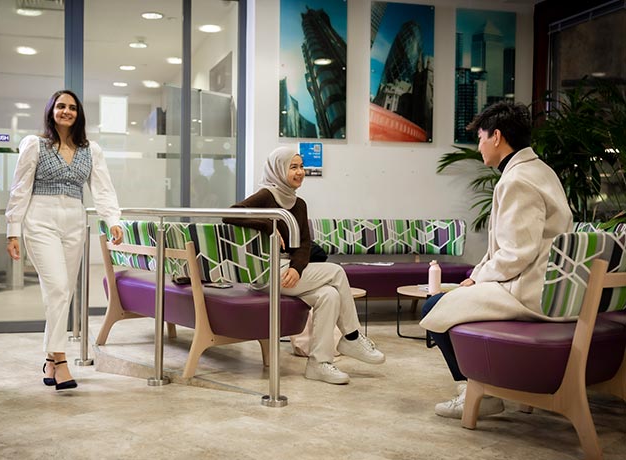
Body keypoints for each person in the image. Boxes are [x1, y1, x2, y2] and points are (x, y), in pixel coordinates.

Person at [419, 101, 573, 418]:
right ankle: (484, 385)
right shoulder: (540, 170)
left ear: (497, 136)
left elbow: (518, 253)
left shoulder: (517, 180)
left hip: (528, 289)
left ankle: (476, 392)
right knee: (453, 298)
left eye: (480, 138)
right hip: (543, 281)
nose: (479, 147)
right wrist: (477, 275)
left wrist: (479, 278)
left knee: (433, 305)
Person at [223, 147, 385, 385]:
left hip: (287, 272)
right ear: (278, 169)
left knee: (329, 295)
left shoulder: (299, 204)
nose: (300, 172)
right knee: (336, 272)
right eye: (293, 167)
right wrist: (270, 225)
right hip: (265, 273)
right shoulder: (267, 195)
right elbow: (230, 215)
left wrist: (297, 269)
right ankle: (352, 336)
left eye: (301, 167)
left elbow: (305, 244)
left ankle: (319, 363)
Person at [5, 90, 123, 391]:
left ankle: (48, 358)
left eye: (72, 107)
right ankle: (60, 360)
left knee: (62, 292)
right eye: (61, 106)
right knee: (57, 287)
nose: (66, 111)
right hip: (39, 220)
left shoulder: (90, 149)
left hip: (74, 221)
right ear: (51, 110)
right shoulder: (35, 144)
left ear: (78, 113)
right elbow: (20, 189)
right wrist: (13, 230)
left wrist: (113, 221)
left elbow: (103, 189)